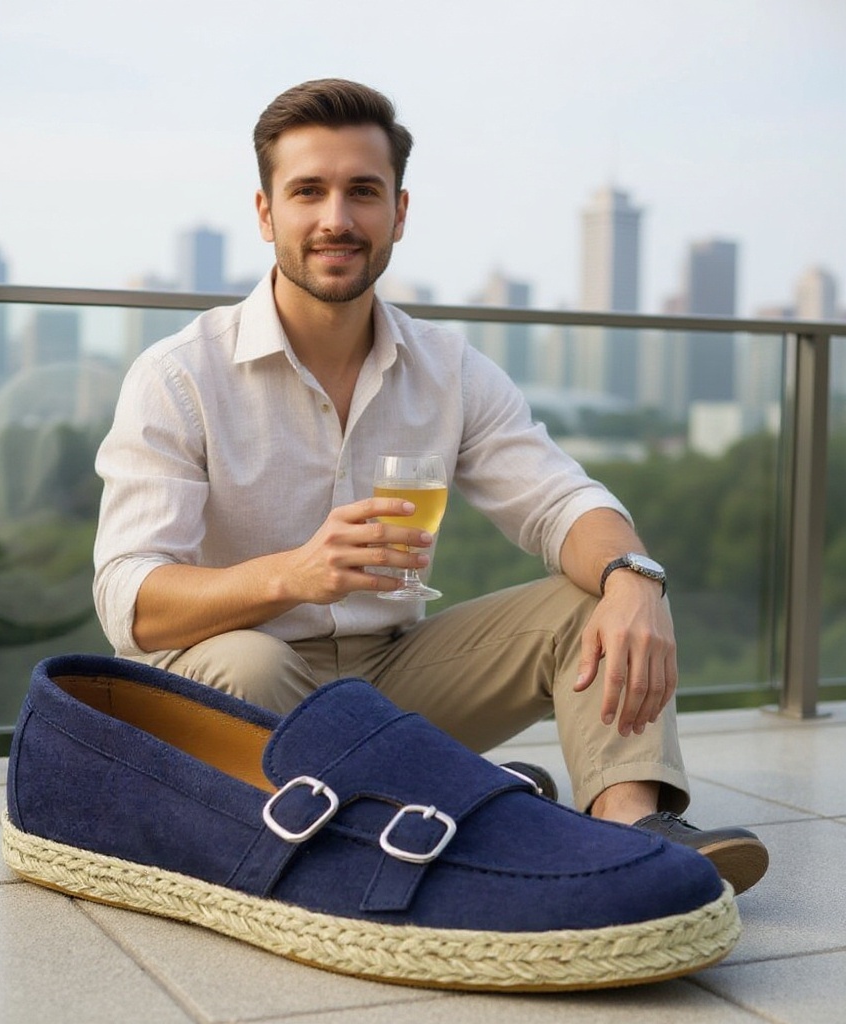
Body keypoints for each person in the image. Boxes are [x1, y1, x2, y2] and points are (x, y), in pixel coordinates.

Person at [93, 78, 768, 894]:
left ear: (399, 213)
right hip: (237, 679)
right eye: (308, 192)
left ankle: (628, 834)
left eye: (362, 191)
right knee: (253, 663)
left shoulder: (448, 369)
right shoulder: (178, 376)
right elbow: (128, 599)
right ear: (267, 213)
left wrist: (634, 578)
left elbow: (562, 502)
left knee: (597, 597)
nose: (337, 218)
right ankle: (455, 802)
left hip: (389, 676)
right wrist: (291, 576)